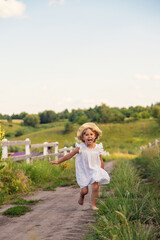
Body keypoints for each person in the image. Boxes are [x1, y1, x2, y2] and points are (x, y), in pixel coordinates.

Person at [49, 122, 110, 210]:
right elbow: (69, 155)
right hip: (84, 171)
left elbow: (100, 159)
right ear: (82, 137)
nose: (89, 136)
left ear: (95, 136)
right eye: (86, 135)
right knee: (85, 191)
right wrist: (58, 161)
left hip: (95, 170)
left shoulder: (98, 147)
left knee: (95, 187)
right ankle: (81, 196)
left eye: (91, 134)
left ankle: (93, 205)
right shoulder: (80, 148)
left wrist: (102, 170)